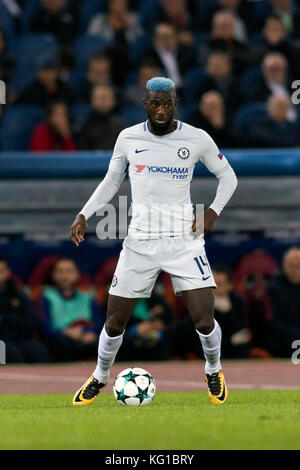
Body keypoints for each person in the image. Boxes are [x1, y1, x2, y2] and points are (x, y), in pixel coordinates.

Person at [70, 76, 238, 406]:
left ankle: (213, 369)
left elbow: (228, 176)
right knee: (115, 321)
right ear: (145, 104)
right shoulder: (128, 138)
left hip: (184, 240)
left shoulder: (197, 138)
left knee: (204, 318)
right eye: (154, 104)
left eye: (167, 104)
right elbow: (110, 182)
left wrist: (212, 213)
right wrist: (84, 214)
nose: (161, 110)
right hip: (140, 242)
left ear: (174, 104)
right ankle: (100, 376)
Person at [36, 258, 104, 362]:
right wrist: (66, 332)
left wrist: (88, 332)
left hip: (87, 340)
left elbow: (99, 326)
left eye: (69, 271)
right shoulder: (46, 298)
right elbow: (46, 330)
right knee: (63, 343)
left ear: (77, 274)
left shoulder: (88, 298)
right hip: (62, 341)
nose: (65, 276)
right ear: (53, 275)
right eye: (60, 272)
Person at [0, 256, 48, 363]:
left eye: (2, 271)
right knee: (12, 354)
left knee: (39, 351)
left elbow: (33, 320)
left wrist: (8, 320)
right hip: (2, 341)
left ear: (8, 272)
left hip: (20, 338)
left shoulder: (17, 293)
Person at [266, 247, 300, 357]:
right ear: (284, 266)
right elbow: (271, 319)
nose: (296, 271)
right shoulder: (274, 287)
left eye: (299, 266)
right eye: (291, 266)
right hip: (282, 339)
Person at [213, 266, 250, 358]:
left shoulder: (237, 303)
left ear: (230, 286)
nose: (214, 288)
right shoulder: (203, 305)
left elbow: (241, 328)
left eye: (219, 284)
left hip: (237, 350)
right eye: (212, 285)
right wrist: (230, 341)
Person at [76, 84, 125, 150]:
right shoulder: (83, 124)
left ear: (113, 101)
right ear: (92, 100)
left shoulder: (120, 125)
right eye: (99, 98)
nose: (102, 101)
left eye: (105, 98)